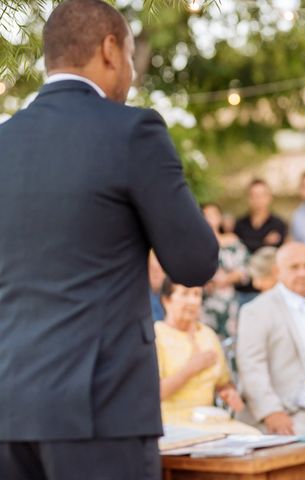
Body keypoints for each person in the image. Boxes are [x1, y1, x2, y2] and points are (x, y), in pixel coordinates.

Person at [0, 1, 219, 479]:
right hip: (101, 407)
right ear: (109, 49)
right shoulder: (132, 131)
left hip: (9, 407)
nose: (131, 75)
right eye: (131, 57)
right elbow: (195, 261)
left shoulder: (4, 141)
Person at [236, 243, 305, 439]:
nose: (303, 273)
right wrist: (271, 411)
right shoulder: (256, 310)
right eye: (294, 267)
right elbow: (251, 365)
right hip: (286, 413)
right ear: (277, 271)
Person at [155, 278, 244, 425]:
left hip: (210, 419)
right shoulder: (156, 335)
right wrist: (191, 369)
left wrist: (229, 392)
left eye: (197, 294)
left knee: (253, 436)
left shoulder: (207, 334)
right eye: (185, 294)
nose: (193, 301)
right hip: (171, 422)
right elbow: (153, 394)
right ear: (166, 300)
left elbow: (223, 382)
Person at [234, 179, 288, 305]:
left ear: (269, 197)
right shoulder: (240, 224)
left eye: (262, 195)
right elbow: (239, 250)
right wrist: (264, 242)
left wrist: (250, 243)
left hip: (269, 288)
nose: (258, 199)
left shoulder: (278, 224)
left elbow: (273, 253)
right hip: (243, 290)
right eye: (254, 195)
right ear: (249, 198)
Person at [201, 203, 249, 338]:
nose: (210, 219)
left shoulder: (231, 240)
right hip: (207, 302)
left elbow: (246, 268)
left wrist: (227, 279)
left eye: (213, 215)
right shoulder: (197, 243)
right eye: (205, 215)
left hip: (229, 301)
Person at [149, 250, 166, 321]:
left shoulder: (172, 296)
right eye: (153, 270)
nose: (156, 275)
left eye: (160, 270)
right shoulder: (140, 297)